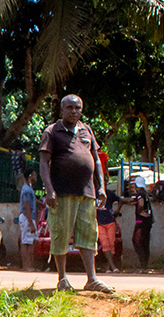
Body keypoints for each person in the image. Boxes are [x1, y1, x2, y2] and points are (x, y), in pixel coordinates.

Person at [38, 94, 114, 293]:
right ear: (62, 109)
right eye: (70, 107)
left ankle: (92, 279)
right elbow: (44, 163)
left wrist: (101, 187)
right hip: (62, 193)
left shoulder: (86, 130)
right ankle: (62, 278)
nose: (74, 111)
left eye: (77, 108)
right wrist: (49, 190)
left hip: (87, 193)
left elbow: (96, 160)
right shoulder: (52, 131)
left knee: (89, 234)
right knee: (61, 234)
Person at [129, 175, 153, 272]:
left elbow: (141, 203)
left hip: (141, 222)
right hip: (147, 222)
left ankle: (143, 265)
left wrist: (139, 211)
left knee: (137, 242)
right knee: (145, 243)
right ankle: (145, 265)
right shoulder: (145, 193)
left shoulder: (140, 195)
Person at [18, 171, 40, 271]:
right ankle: (26, 266)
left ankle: (30, 264)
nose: (36, 177)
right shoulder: (27, 190)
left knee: (34, 240)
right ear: (30, 176)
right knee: (26, 242)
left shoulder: (29, 188)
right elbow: (27, 206)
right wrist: (31, 223)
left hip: (30, 217)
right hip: (28, 217)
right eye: (34, 175)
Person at [96, 187, 122, 273]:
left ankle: (108, 266)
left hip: (110, 221)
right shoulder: (94, 193)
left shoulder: (109, 192)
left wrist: (117, 210)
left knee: (112, 242)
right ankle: (112, 265)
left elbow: (120, 200)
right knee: (105, 243)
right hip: (100, 222)